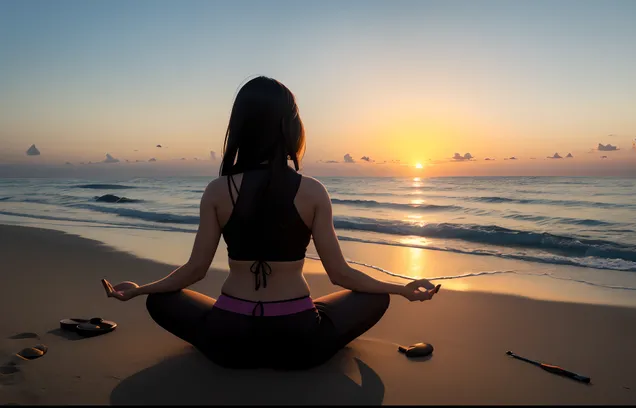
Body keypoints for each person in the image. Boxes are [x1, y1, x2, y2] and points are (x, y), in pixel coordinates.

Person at [106, 76, 439, 370]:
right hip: (299, 344)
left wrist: (141, 289)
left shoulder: (217, 191)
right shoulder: (312, 191)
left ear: (239, 127)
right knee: (375, 297)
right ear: (290, 127)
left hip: (228, 343)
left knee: (160, 300)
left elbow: (195, 270)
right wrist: (400, 289)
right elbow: (341, 275)